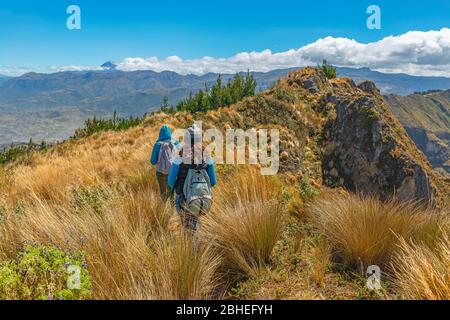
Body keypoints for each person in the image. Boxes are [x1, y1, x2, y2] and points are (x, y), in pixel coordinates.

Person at [168, 125, 217, 233]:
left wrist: (179, 188)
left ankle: (189, 248)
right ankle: (195, 245)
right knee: (194, 225)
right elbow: (213, 182)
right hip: (202, 198)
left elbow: (170, 182)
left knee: (187, 228)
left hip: (183, 199)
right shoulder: (207, 157)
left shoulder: (179, 156)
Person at [150, 125, 180, 201]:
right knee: (172, 193)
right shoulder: (176, 143)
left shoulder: (157, 145)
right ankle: (173, 210)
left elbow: (152, 161)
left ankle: (163, 210)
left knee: (163, 194)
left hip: (161, 173)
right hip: (173, 172)